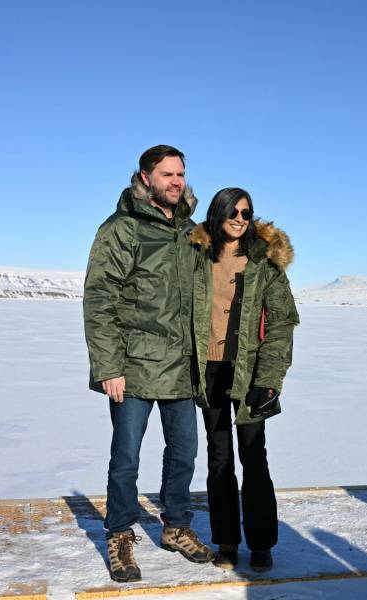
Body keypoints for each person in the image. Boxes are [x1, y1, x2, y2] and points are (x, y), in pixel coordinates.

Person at [83, 145, 214, 583]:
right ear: (145, 177)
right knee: (126, 458)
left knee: (184, 454)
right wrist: (108, 366)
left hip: (180, 366)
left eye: (181, 174)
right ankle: (119, 533)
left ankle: (176, 526)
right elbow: (101, 298)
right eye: (167, 174)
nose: (176, 181)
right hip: (133, 367)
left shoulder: (191, 232)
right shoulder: (122, 229)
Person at [189, 187, 299, 572]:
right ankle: (227, 542)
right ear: (217, 214)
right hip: (209, 372)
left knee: (254, 456)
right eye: (232, 212)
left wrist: (268, 380)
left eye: (246, 213)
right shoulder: (196, 258)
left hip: (249, 372)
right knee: (219, 459)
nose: (239, 218)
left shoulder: (263, 262)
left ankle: (261, 542)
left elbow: (282, 323)